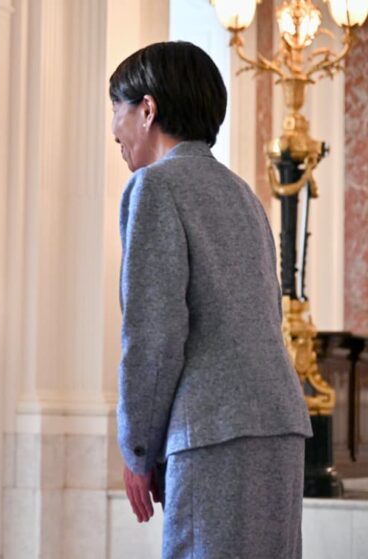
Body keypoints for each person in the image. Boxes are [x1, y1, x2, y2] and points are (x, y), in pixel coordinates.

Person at [110, 42, 312, 558]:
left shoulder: (154, 187)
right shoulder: (244, 193)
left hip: (214, 431)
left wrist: (138, 449)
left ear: (148, 110)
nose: (114, 129)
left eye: (118, 110)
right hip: (279, 424)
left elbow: (153, 335)